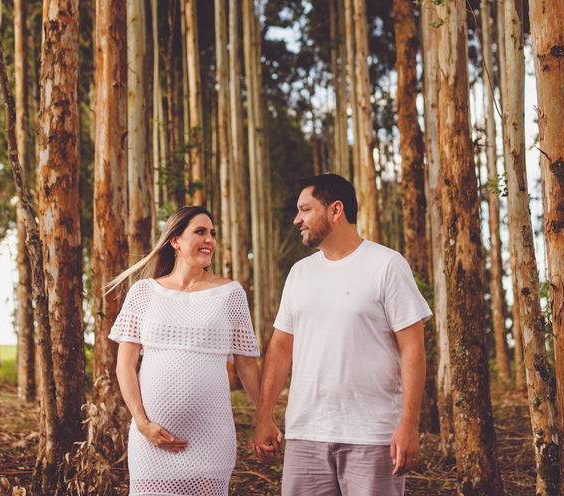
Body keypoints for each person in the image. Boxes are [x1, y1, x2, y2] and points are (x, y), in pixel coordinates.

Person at [251, 173, 430, 496]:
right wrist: (265, 415)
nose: (297, 220)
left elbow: (413, 348)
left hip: (372, 435)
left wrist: (409, 423)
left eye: (305, 210)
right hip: (305, 432)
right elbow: (280, 347)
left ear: (336, 210)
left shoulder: (387, 265)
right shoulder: (300, 273)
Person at [108, 205, 262, 496]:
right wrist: (142, 424)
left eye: (212, 233)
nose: (209, 240)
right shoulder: (143, 292)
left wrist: (265, 418)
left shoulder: (231, 294)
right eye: (200, 232)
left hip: (211, 441)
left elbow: (246, 365)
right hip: (151, 440)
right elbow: (125, 365)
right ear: (175, 240)